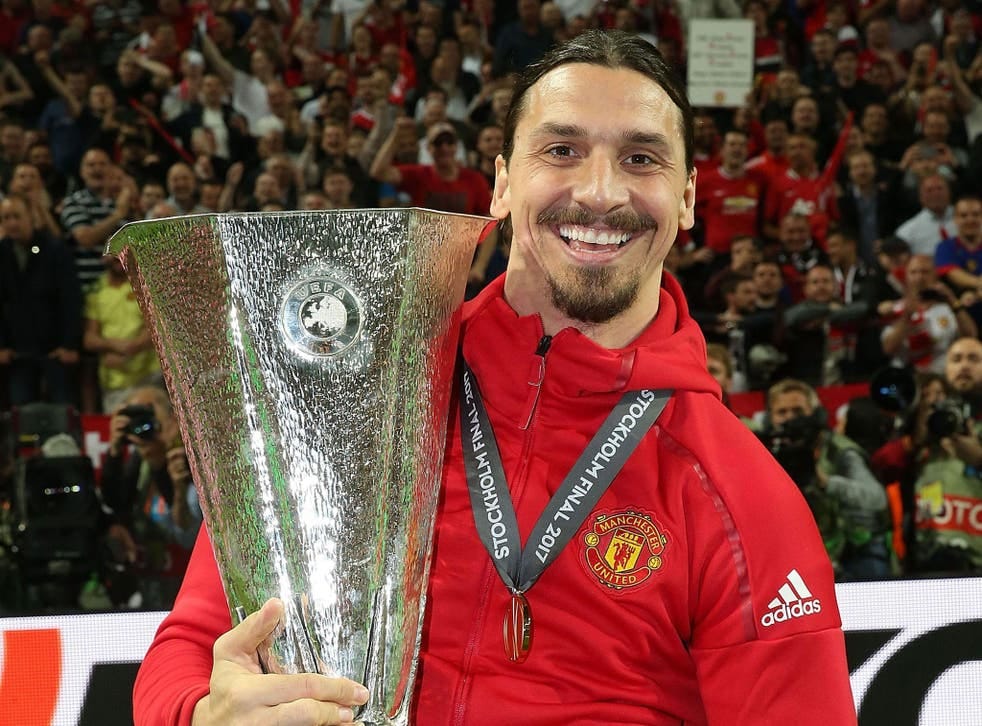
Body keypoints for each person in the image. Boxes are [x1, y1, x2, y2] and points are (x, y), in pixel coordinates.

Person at [134, 31, 856, 726]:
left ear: (690, 198)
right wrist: (203, 712)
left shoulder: (740, 498)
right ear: (504, 182)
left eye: (642, 159)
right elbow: (192, 643)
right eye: (562, 150)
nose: (601, 193)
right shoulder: (356, 399)